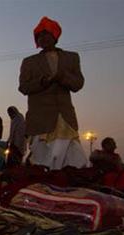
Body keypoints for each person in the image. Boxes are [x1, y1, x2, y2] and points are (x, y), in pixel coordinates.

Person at [19, 17, 87, 170]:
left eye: (47, 34)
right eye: (39, 36)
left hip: (65, 117)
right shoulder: (29, 62)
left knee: (72, 160)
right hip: (40, 119)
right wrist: (43, 81)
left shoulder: (71, 58)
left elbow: (78, 84)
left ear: (55, 36)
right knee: (42, 161)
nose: (43, 38)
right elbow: (23, 87)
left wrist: (62, 77)